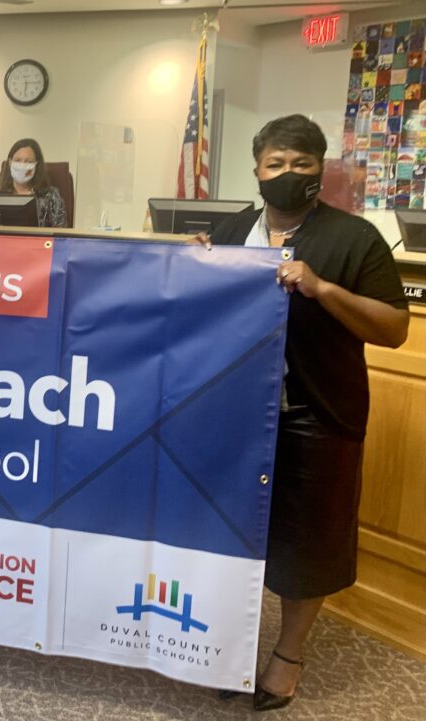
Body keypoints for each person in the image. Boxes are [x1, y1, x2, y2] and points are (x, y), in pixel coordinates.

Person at [205, 115, 409, 711]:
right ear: (257, 170)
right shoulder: (232, 228)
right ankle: (227, 645)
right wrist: (195, 263)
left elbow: (395, 329)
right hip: (233, 413)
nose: (287, 174)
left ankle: (288, 654)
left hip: (315, 411)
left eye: (300, 164)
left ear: (320, 169)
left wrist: (323, 290)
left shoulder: (353, 238)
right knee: (230, 533)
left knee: (307, 541)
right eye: (275, 164)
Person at [0, 138, 67, 228]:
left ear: (36, 165)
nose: (22, 165)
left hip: (40, 242)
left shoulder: (51, 197)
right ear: (10, 163)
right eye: (18, 160)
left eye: (29, 161)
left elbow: (61, 235)